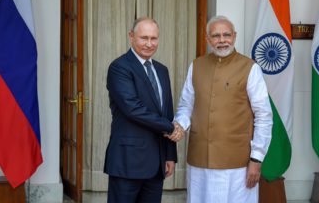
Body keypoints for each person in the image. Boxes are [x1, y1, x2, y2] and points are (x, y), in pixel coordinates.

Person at [172, 15, 273, 202]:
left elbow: (264, 116)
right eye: (216, 36)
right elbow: (186, 105)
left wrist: (256, 160)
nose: (222, 40)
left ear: (234, 36)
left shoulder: (250, 68)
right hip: (199, 161)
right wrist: (180, 125)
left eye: (226, 35)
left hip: (237, 164)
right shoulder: (197, 66)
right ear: (208, 39)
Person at [104, 17, 183, 202]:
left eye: (154, 38)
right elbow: (133, 108)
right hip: (127, 162)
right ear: (131, 37)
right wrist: (172, 128)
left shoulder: (162, 70)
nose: (149, 44)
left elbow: (167, 111)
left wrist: (170, 155)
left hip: (156, 164)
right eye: (144, 38)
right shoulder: (119, 67)